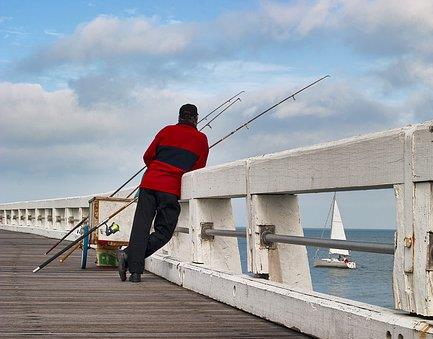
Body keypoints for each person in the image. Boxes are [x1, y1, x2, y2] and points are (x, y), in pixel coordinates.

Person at [117, 104, 209, 282]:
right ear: (195, 118)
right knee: (165, 231)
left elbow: (148, 156)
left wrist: (158, 171)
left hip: (149, 183)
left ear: (179, 117)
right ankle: (127, 257)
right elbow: (199, 167)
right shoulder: (201, 139)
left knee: (140, 227)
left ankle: (135, 272)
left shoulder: (166, 131)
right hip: (170, 189)